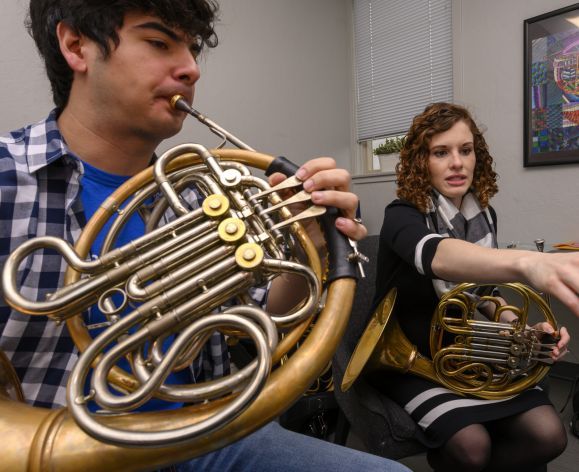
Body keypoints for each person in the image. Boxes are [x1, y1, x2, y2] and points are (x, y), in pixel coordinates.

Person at [0, 1, 411, 471]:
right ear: (76, 46)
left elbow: (261, 318)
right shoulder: (7, 176)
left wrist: (310, 242)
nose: (191, 69)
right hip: (49, 446)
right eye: (159, 43)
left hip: (197, 436)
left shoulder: (195, 194)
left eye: (193, 49)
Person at [369, 102, 577, 472]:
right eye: (441, 152)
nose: (457, 163)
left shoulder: (481, 214)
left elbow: (484, 293)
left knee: (549, 436)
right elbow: (435, 256)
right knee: (472, 447)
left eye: (465, 150)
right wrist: (528, 263)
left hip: (465, 357)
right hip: (411, 363)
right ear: (421, 161)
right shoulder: (402, 214)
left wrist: (523, 329)